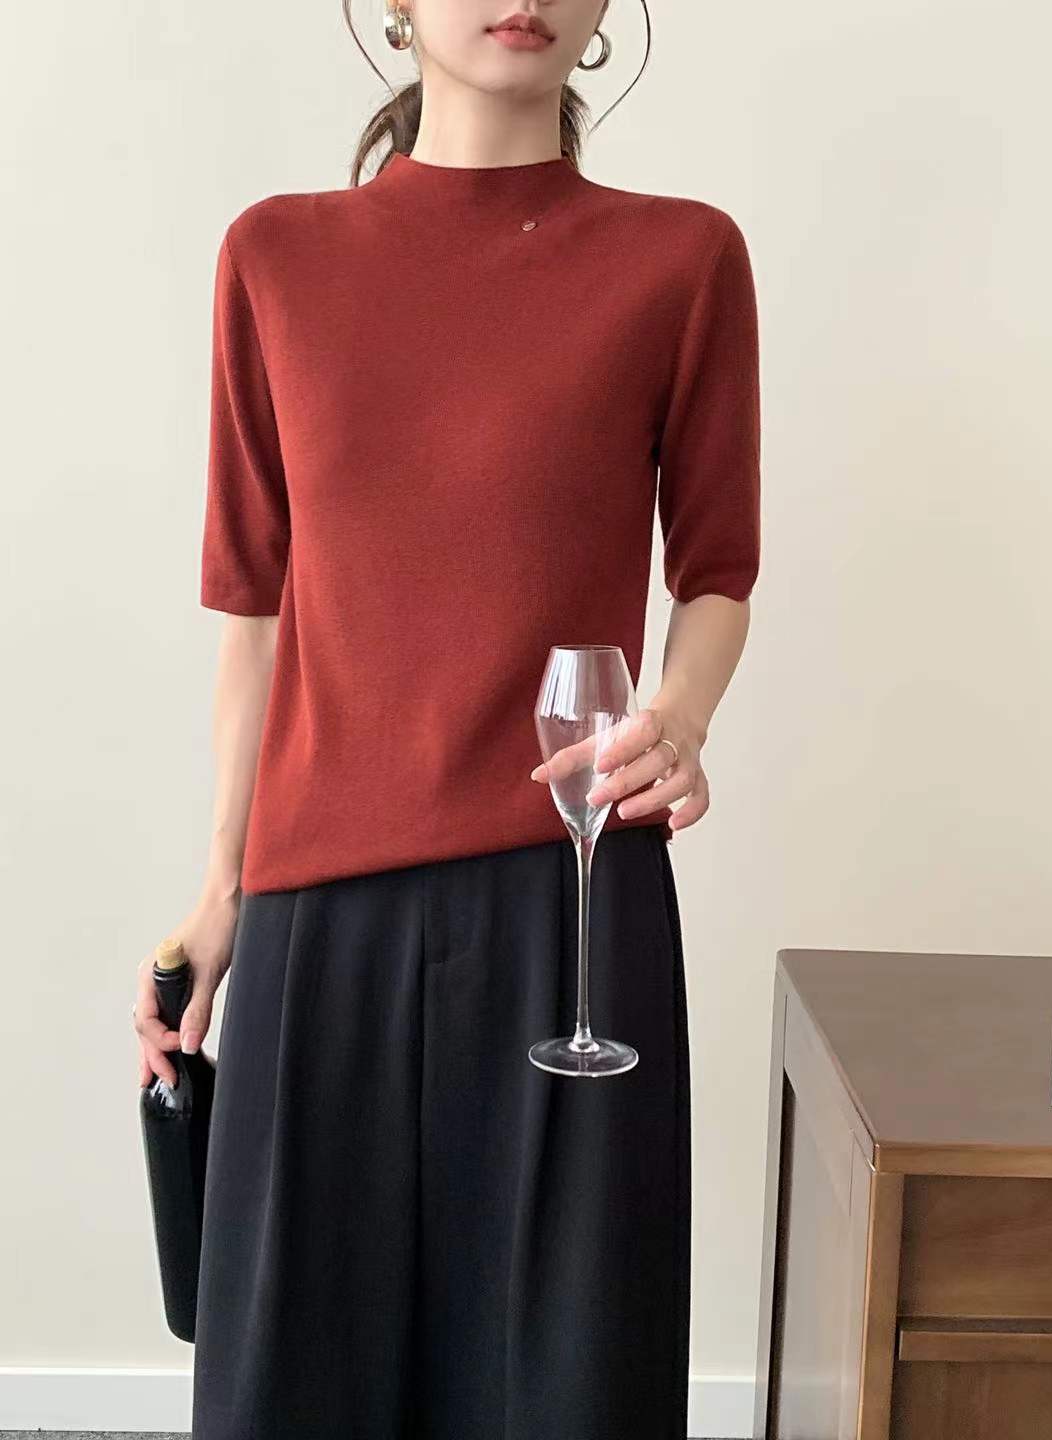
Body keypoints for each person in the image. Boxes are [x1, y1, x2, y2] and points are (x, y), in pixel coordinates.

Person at [132, 1, 761, 1435]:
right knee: (294, 1377)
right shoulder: (275, 257)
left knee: (566, 1382)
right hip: (319, 913)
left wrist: (679, 715)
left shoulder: (682, 260)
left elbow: (716, 572)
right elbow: (256, 612)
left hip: (573, 900)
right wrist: (220, 891)